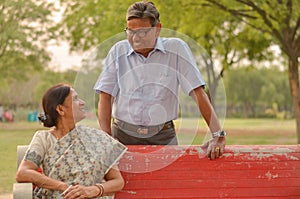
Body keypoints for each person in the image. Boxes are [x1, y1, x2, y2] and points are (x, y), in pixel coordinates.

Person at [94, 1, 225, 159]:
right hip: (123, 135)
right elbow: (105, 96)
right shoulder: (118, 51)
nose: (136, 38)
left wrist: (218, 135)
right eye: (131, 31)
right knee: (124, 183)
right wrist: (106, 138)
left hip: (163, 136)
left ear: (157, 29)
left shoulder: (176, 49)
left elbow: (198, 92)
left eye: (143, 32)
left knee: (169, 182)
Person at [16, 83, 127, 199]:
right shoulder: (43, 139)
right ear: (60, 109)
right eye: (75, 99)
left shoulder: (98, 138)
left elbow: (118, 181)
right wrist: (63, 187)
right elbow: (23, 173)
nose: (82, 102)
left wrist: (92, 190)